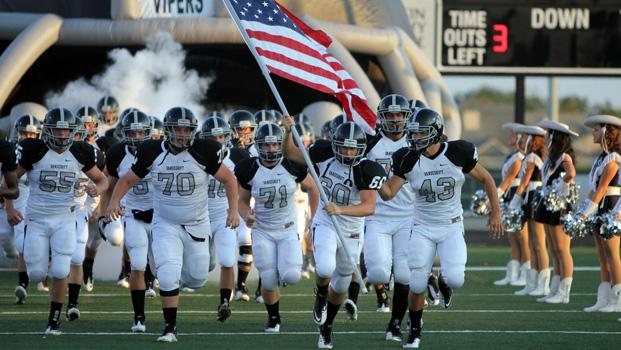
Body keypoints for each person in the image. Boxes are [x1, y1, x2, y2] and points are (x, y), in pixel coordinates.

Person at [106, 106, 239, 342]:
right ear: (167, 130)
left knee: (197, 278)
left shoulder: (204, 151)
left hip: (197, 223)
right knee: (168, 274)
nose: (182, 134)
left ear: (193, 130)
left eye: (186, 129)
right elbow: (127, 179)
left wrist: (233, 210)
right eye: (177, 129)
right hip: (165, 222)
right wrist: (113, 201)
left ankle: (171, 273)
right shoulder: (151, 151)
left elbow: (229, 179)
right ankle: (170, 328)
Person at [377, 108, 502, 348]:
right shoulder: (407, 157)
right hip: (422, 227)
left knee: (455, 279)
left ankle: (444, 280)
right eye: (412, 133)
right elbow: (389, 193)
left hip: (451, 227)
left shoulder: (457, 152)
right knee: (416, 283)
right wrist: (374, 180)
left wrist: (496, 212)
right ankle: (415, 329)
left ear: (435, 132)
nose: (413, 137)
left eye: (420, 133)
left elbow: (487, 179)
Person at [282, 116, 387, 349]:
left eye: (353, 148)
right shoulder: (322, 152)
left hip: (351, 229)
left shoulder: (367, 169)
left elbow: (369, 207)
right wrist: (288, 132)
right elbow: (290, 153)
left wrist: (341, 209)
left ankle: (327, 327)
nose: (348, 153)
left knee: (340, 286)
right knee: (325, 267)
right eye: (344, 147)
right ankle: (320, 293)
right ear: (334, 144)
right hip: (326, 221)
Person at [15, 107, 108, 334]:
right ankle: (41, 288)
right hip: (36, 219)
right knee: (36, 274)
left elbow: (103, 180)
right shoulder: (33, 150)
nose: (62, 135)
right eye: (57, 130)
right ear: (47, 130)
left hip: (66, 218)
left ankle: (54, 320)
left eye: (67, 131)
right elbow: (11, 178)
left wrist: (97, 189)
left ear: (74, 132)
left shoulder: (81, 151)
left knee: (60, 269)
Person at [235, 122, 318, 332]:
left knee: (291, 275)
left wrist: (314, 219)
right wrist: (247, 215)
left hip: (288, 228)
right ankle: (274, 318)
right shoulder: (249, 168)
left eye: (275, 145)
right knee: (269, 280)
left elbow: (313, 189)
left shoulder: (291, 165)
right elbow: (241, 201)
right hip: (262, 230)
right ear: (258, 145)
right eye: (266, 145)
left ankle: (283, 271)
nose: (271, 150)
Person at [358, 94, 414, 341]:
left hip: (409, 217)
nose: (394, 119)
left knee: (404, 274)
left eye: (399, 114)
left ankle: (395, 323)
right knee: (379, 273)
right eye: (389, 115)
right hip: (377, 216)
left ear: (406, 117)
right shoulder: (368, 145)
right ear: (381, 117)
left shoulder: (417, 143)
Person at [100, 109, 154, 332]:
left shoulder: (160, 150)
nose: (137, 137)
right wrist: (104, 213)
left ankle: (171, 318)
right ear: (124, 133)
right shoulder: (116, 153)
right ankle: (139, 317)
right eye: (132, 133)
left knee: (168, 269)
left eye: (141, 133)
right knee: (138, 264)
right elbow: (109, 185)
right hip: (132, 214)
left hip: (163, 217)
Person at [199, 115, 249, 321]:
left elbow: (248, 185)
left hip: (224, 215)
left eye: (221, 136)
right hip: (199, 217)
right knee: (205, 267)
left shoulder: (238, 156)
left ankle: (224, 302)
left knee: (228, 259)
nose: (218, 141)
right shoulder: (195, 155)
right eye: (213, 137)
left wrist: (238, 210)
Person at [65, 114, 107, 321]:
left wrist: (93, 207)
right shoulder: (50, 153)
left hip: (80, 209)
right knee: (51, 263)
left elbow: (101, 182)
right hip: (55, 212)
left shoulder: (94, 154)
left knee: (77, 256)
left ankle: (72, 302)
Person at [533, 120, 578, 304]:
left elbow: (572, 173)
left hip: (559, 205)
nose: (544, 137)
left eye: (547, 134)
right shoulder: (553, 156)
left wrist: (561, 185)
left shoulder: (564, 156)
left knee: (562, 249)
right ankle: (555, 290)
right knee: (554, 249)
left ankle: (564, 293)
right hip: (549, 203)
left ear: (554, 136)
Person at [581, 114, 621, 312]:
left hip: (611, 205)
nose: (593, 133)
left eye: (597, 129)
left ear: (607, 132)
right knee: (602, 255)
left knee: (613, 255)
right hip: (600, 205)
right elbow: (593, 188)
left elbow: (604, 187)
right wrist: (582, 210)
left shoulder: (614, 158)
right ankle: (603, 298)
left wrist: (585, 214)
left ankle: (617, 300)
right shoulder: (601, 157)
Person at [2, 115, 40, 304]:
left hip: (26, 204)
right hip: (6, 203)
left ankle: (23, 284)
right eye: (24, 132)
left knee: (23, 244)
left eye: (31, 134)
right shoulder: (9, 150)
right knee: (9, 249)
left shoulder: (41, 152)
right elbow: (6, 181)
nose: (27, 136)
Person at [509, 126, 548, 296]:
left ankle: (543, 285)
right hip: (529, 197)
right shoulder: (529, 156)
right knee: (533, 244)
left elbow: (524, 183)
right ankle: (532, 283)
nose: (521, 140)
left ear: (534, 140)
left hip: (534, 197)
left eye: (525, 137)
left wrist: (513, 204)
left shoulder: (533, 157)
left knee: (539, 244)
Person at [228, 110, 260, 301]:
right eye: (240, 130)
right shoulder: (224, 148)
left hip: (251, 199)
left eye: (247, 129)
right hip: (225, 200)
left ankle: (241, 285)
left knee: (247, 240)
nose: (244, 133)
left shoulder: (259, 149)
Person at [493, 123, 530, 287]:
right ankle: (513, 274)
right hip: (509, 197)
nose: (509, 137)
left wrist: (492, 198)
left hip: (517, 197)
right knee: (513, 237)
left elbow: (508, 180)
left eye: (512, 134)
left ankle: (526, 274)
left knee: (523, 238)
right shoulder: (512, 155)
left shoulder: (520, 157)